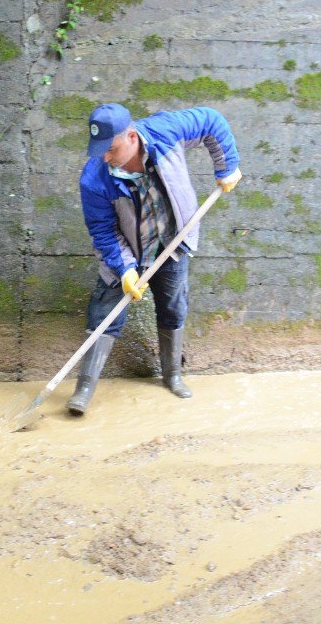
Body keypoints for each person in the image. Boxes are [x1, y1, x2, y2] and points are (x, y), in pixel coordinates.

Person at [67, 103, 242, 416]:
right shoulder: (94, 179)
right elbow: (104, 233)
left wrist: (226, 166)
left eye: (112, 149)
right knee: (104, 312)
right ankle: (84, 388)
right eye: (99, 150)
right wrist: (125, 270)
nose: (105, 157)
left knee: (174, 306)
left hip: (172, 242)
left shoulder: (166, 131)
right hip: (127, 253)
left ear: (132, 136)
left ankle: (172, 374)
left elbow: (212, 121)